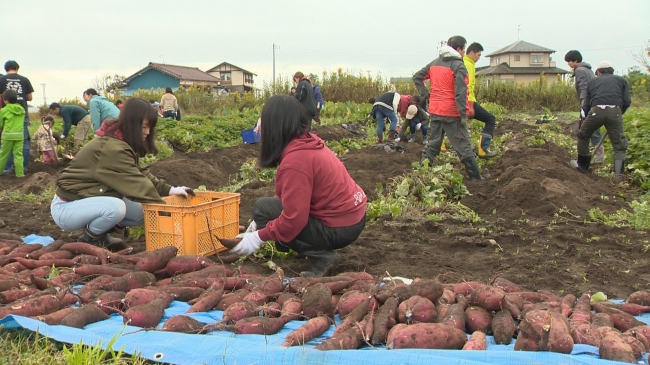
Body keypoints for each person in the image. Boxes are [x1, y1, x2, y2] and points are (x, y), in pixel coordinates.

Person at [221, 95, 367, 277]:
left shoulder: (296, 161)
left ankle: (323, 256)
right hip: (353, 217)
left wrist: (258, 237)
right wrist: (258, 226)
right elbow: (286, 198)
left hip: (339, 227)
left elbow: (294, 219)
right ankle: (312, 247)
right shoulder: (306, 142)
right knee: (267, 212)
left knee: (264, 210)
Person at [50, 98, 193, 250]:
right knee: (116, 208)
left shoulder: (120, 142)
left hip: (88, 199)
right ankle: (89, 240)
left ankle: (100, 233)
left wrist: (170, 190)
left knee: (141, 211)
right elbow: (139, 184)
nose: (147, 132)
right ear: (131, 124)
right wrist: (169, 211)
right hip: (67, 207)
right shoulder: (112, 148)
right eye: (144, 127)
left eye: (150, 127)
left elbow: (141, 173)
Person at [413, 35, 484, 181]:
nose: (464, 53)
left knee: (433, 143)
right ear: (459, 49)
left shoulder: (435, 63)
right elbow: (461, 91)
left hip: (435, 110)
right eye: (464, 49)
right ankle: (476, 178)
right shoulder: (459, 66)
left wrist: (426, 94)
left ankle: (422, 174)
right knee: (463, 145)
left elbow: (417, 77)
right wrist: (463, 113)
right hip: (452, 112)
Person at [570, 61, 631, 183]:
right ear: (611, 70)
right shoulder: (621, 80)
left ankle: (582, 166)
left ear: (598, 72)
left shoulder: (593, 82)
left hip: (596, 111)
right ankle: (618, 175)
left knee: (583, 135)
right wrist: (618, 113)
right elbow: (627, 101)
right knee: (619, 144)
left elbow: (586, 104)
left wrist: (584, 118)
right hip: (615, 111)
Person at [565, 50, 605, 164]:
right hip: (594, 103)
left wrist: (583, 106)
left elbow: (584, 88)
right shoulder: (588, 70)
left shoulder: (580, 70)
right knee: (594, 129)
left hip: (587, 105)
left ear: (576, 61)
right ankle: (598, 156)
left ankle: (585, 159)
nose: (569, 64)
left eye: (570, 62)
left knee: (585, 131)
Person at [464, 42, 497, 158]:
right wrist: (470, 106)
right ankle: (483, 150)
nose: (479, 58)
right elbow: (468, 87)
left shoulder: (466, 63)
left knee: (454, 125)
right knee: (490, 119)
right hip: (466, 101)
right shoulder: (468, 65)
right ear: (472, 53)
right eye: (478, 55)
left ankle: (449, 149)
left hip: (461, 101)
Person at [0, 60, 34, 175]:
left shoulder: (1, 79)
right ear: (17, 68)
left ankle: (6, 168)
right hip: (22, 113)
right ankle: (22, 168)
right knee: (23, 142)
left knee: (6, 142)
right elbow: (29, 97)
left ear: (5, 69)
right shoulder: (24, 79)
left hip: (6, 114)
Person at [0, 89, 26, 177]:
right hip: (19, 135)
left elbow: (0, 124)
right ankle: (20, 174)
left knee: (3, 155)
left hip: (7, 136)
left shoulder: (3, 110)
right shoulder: (22, 110)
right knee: (18, 155)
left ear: (6, 100)